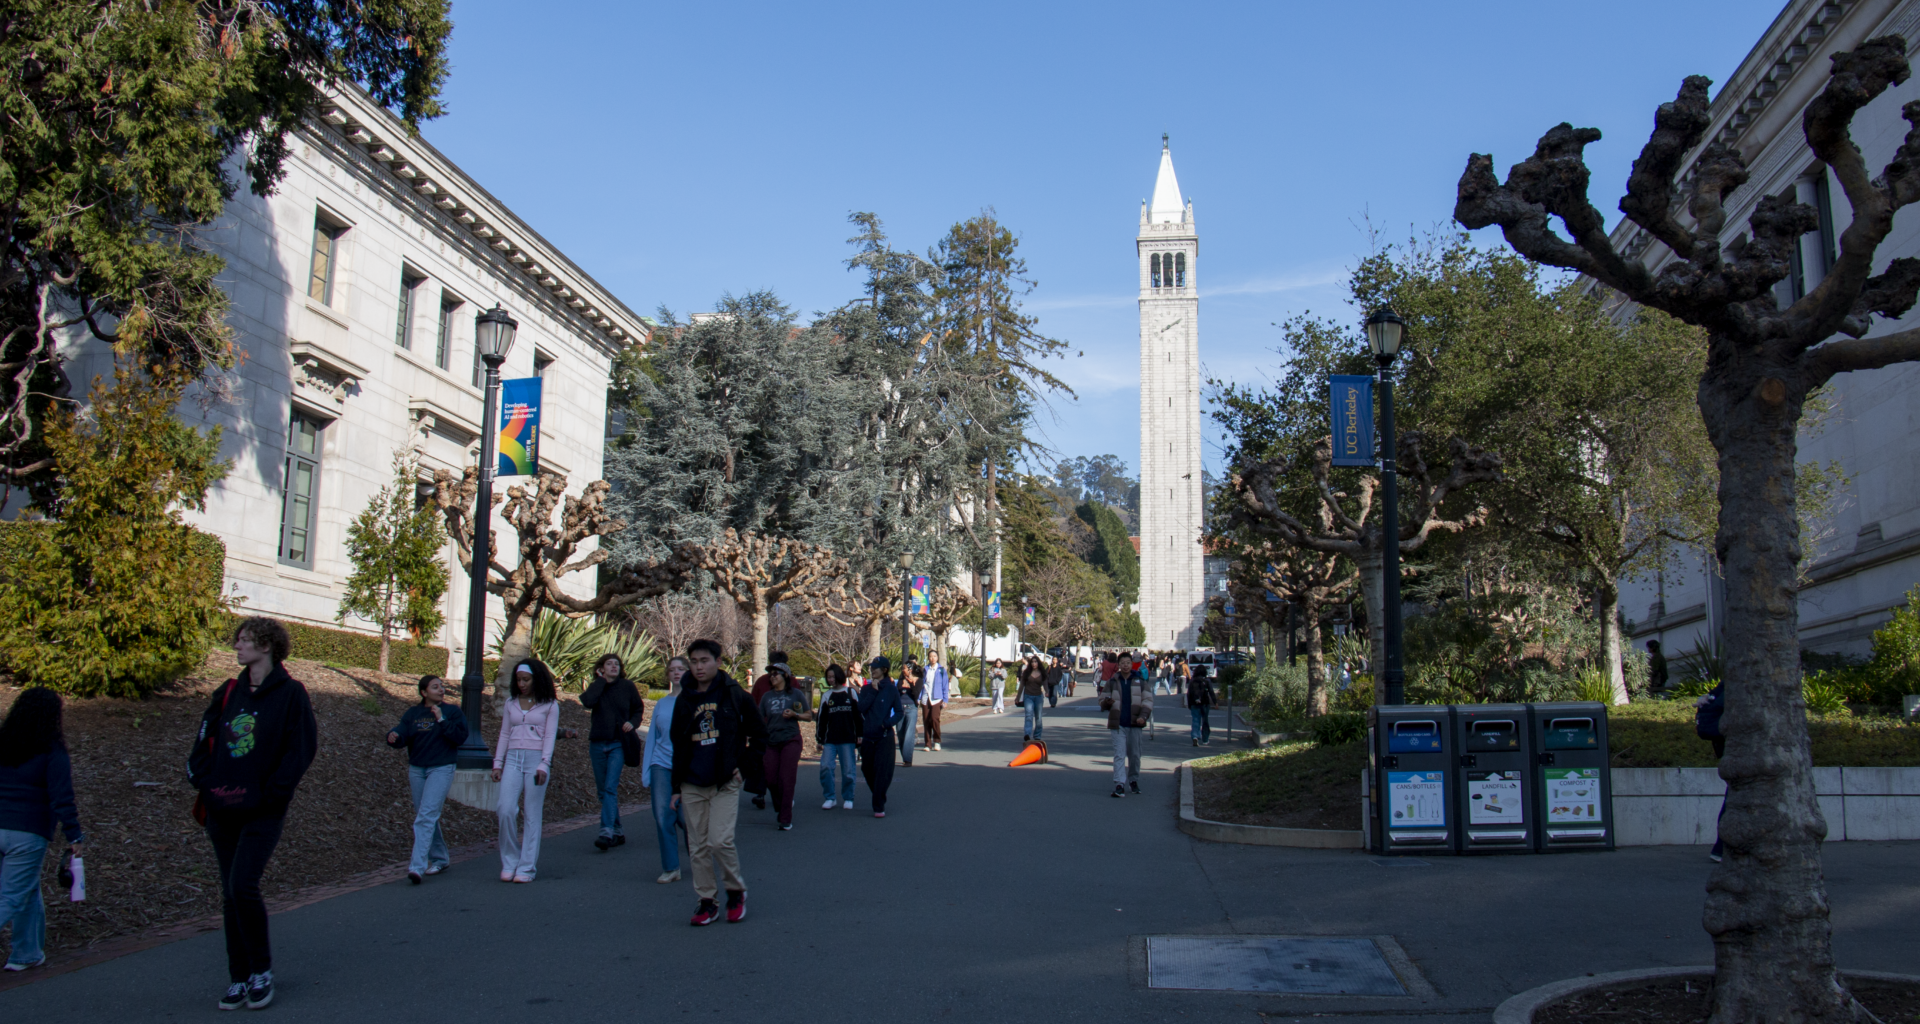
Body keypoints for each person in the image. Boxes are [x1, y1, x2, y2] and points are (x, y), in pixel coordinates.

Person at [188, 617, 317, 1011]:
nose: (238, 647)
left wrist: (272, 793)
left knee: (243, 884)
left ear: (267, 645)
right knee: (230, 893)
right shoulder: (227, 692)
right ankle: (239, 977)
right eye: (238, 640)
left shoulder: (292, 694)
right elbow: (202, 742)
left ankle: (261, 970)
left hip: (263, 810)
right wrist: (206, 785)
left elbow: (301, 750)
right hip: (222, 807)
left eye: (245, 640)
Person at [669, 639, 765, 926]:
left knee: (720, 841)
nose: (699, 667)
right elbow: (678, 744)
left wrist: (743, 767)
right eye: (694, 662)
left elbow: (760, 735)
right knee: (697, 846)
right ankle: (707, 901)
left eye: (704, 661)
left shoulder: (736, 695)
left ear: (718, 662)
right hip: (692, 782)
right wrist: (676, 787)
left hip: (725, 781)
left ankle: (735, 891)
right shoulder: (684, 699)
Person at [0, 688, 83, 974]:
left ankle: (26, 952)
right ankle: (24, 952)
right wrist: (74, 835)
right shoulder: (52, 750)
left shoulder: (4, 743)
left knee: (27, 888)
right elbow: (62, 797)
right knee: (11, 895)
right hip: (28, 831)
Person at [384, 675, 469, 883]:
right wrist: (393, 736)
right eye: (435, 687)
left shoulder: (452, 712)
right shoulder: (413, 713)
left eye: (441, 686)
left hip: (441, 768)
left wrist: (442, 719)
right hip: (417, 769)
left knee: (426, 816)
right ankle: (440, 858)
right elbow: (402, 733)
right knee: (425, 815)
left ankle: (417, 866)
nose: (441, 690)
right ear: (424, 692)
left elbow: (460, 737)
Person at [492, 661, 559, 883]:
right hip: (512, 758)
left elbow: (550, 736)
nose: (521, 684)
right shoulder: (511, 703)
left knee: (532, 814)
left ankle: (527, 867)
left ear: (537, 679)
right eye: (518, 679)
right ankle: (509, 862)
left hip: (536, 760)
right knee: (505, 809)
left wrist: (544, 764)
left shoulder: (549, 705)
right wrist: (497, 763)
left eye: (526, 679)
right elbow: (504, 733)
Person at [581, 654, 645, 851]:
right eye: (609, 664)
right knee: (602, 791)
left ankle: (606, 831)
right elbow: (587, 702)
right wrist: (600, 681)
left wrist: (632, 723)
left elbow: (638, 708)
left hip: (618, 743)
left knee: (610, 787)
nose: (613, 667)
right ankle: (617, 830)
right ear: (601, 668)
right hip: (598, 743)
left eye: (617, 664)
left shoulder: (627, 687)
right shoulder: (597, 686)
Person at [645, 657, 689, 883]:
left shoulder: (695, 700)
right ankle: (671, 867)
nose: (676, 673)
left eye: (681, 669)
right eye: (672, 670)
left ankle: (700, 858)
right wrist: (647, 770)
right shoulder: (661, 704)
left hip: (689, 767)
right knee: (663, 816)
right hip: (661, 765)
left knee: (687, 818)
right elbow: (653, 737)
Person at [757, 664, 812, 830]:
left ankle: (785, 819)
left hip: (791, 740)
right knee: (770, 778)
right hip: (771, 741)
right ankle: (781, 806)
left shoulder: (795, 694)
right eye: (770, 675)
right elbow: (759, 719)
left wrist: (795, 715)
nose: (772, 677)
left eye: (776, 674)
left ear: (785, 676)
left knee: (786, 779)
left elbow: (809, 716)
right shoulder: (766, 697)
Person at [1101, 652, 1153, 797]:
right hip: (1118, 724)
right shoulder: (1113, 681)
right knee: (1119, 754)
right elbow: (1102, 699)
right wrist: (1106, 702)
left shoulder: (1139, 681)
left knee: (1135, 755)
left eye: (1128, 663)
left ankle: (1133, 780)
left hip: (1135, 724)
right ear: (1118, 665)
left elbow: (1148, 700)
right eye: (1122, 663)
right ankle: (1119, 784)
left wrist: (1143, 716)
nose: (1125, 665)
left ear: (1131, 664)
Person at [857, 656, 900, 817]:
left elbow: (899, 712)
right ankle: (879, 793)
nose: (872, 670)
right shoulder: (866, 689)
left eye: (876, 667)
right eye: (871, 667)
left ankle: (878, 805)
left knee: (883, 771)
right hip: (868, 735)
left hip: (884, 735)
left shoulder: (891, 689)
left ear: (884, 670)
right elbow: (861, 708)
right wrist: (873, 691)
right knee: (867, 769)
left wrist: (887, 723)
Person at [816, 664, 862, 809]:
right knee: (826, 767)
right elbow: (821, 720)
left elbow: (858, 717)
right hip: (830, 740)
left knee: (848, 770)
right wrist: (820, 739)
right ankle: (830, 797)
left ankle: (848, 797)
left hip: (848, 739)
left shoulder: (851, 693)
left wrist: (860, 734)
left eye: (833, 676)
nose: (831, 679)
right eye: (828, 677)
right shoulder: (826, 696)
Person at [1697, 680, 1727, 862]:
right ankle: (1721, 848)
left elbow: (1711, 699)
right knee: (1735, 796)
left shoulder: (1728, 681)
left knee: (1734, 795)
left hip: (1726, 745)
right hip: (1735, 745)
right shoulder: (1739, 681)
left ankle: (1720, 849)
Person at [894, 661, 921, 766]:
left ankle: (908, 759)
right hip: (900, 708)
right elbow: (897, 693)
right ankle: (904, 755)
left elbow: (916, 695)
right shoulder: (901, 680)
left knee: (909, 734)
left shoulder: (918, 680)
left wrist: (911, 684)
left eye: (904, 668)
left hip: (911, 708)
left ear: (910, 669)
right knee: (900, 733)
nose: (902, 670)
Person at [922, 651, 949, 751]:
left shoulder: (941, 670)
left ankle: (937, 741)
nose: (932, 658)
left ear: (937, 658)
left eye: (934, 656)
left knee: (934, 719)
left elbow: (945, 685)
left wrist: (945, 700)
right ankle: (927, 744)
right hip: (926, 697)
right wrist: (919, 697)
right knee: (926, 720)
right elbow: (922, 683)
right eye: (930, 656)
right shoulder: (925, 669)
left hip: (937, 698)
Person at [1018, 655, 1048, 742]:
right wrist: (1018, 697)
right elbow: (1022, 685)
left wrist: (1047, 691)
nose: (1034, 664)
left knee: (1038, 716)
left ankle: (1037, 735)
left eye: (1036, 662)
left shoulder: (1042, 673)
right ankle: (1027, 734)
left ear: (1038, 663)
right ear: (1030, 663)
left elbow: (1045, 683)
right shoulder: (1026, 673)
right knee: (1028, 715)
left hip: (1038, 696)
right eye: (1032, 662)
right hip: (1028, 696)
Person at [1185, 663, 1215, 746]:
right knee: (1205, 721)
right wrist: (1215, 702)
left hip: (1194, 703)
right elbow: (1211, 692)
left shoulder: (1192, 681)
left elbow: (1189, 693)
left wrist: (1189, 704)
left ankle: (1195, 736)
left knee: (1195, 720)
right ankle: (1205, 739)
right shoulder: (1207, 681)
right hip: (1205, 703)